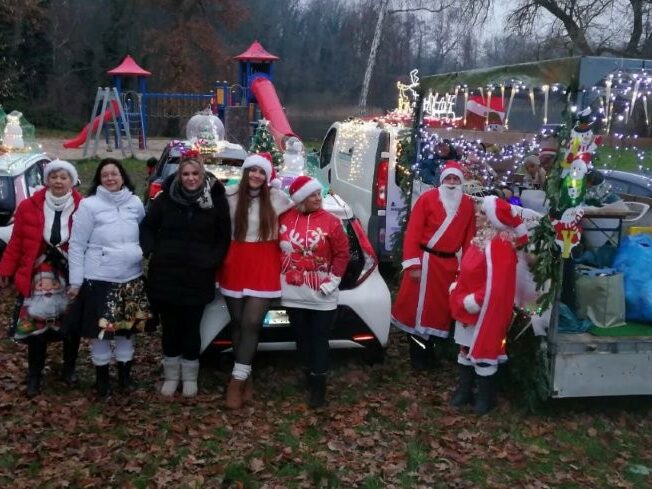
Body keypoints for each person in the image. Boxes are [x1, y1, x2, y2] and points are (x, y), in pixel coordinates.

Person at [140, 156, 231, 397]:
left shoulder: (215, 201)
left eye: (195, 174)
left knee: (192, 327)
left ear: (202, 177)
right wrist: (151, 249)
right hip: (166, 273)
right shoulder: (166, 199)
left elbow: (223, 236)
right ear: (179, 176)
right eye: (186, 174)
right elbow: (147, 226)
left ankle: (190, 375)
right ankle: (171, 374)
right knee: (170, 327)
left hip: (198, 275)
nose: (190, 178)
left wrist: (212, 260)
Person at [64, 158, 150, 397]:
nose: (111, 178)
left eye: (115, 173)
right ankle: (102, 380)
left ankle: (125, 378)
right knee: (100, 332)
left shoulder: (134, 203)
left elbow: (143, 234)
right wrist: (76, 281)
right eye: (105, 175)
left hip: (131, 277)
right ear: (99, 180)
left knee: (126, 331)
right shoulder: (89, 206)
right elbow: (76, 245)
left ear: (123, 176)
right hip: (99, 278)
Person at [0, 160, 83, 396]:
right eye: (54, 176)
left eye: (63, 177)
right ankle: (34, 375)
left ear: (72, 181)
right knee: (36, 325)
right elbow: (16, 242)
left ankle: (69, 368)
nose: (58, 181)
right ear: (47, 180)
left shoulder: (83, 206)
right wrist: (5, 269)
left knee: (70, 323)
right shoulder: (28, 206)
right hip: (38, 271)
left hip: (70, 271)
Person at [219, 152, 293, 410]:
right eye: (252, 170)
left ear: (267, 176)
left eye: (261, 172)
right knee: (238, 322)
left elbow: (301, 211)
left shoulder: (278, 199)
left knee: (251, 322)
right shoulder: (229, 198)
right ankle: (245, 374)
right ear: (246, 172)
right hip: (234, 262)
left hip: (264, 262)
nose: (256, 175)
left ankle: (236, 381)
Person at [391, 161, 476, 370]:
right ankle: (418, 358)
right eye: (449, 178)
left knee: (437, 313)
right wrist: (413, 264)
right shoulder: (427, 199)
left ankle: (429, 354)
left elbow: (469, 239)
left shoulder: (467, 205)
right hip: (424, 262)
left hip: (447, 267)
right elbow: (413, 232)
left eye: (456, 179)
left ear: (461, 181)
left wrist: (466, 268)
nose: (452, 183)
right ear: (442, 180)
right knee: (415, 311)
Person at [448, 195, 529, 414]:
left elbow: (498, 283)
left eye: (482, 213)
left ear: (494, 219)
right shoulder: (481, 239)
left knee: (484, 352)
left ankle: (486, 398)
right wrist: (458, 287)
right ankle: (465, 391)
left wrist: (475, 300)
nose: (476, 215)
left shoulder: (500, 245)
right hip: (467, 305)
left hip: (482, 309)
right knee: (465, 348)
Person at [279, 176, 349, 408]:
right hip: (292, 292)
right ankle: (308, 372)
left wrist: (333, 281)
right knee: (301, 335)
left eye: (319, 194)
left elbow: (342, 254)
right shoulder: (285, 218)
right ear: (300, 198)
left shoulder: (332, 221)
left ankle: (319, 385)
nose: (318, 198)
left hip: (322, 293)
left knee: (319, 337)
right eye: (313, 195)